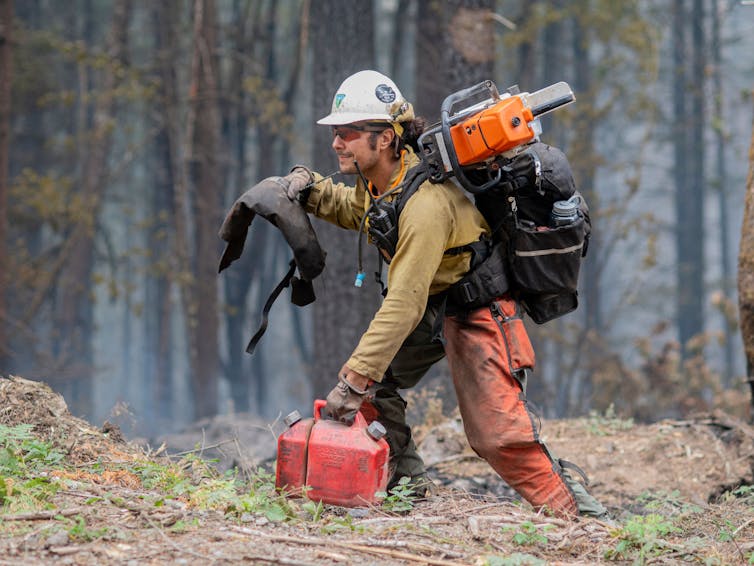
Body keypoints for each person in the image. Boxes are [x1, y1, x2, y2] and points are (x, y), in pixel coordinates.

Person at [280, 70, 606, 519]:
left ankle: (584, 521)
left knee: (498, 437)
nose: (337, 143)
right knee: (375, 386)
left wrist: (352, 379)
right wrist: (306, 188)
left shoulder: (426, 205)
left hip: (478, 307)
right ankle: (404, 490)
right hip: (437, 304)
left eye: (349, 133)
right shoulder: (386, 182)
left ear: (387, 139)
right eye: (336, 133)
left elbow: (404, 302)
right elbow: (360, 209)